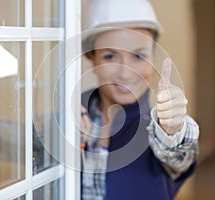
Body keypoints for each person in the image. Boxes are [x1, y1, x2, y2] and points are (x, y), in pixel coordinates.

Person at [80, 0, 199, 199]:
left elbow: (180, 156)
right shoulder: (70, 116)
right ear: (92, 57)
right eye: (110, 56)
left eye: (138, 56)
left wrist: (173, 130)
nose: (126, 74)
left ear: (153, 56)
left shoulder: (158, 127)